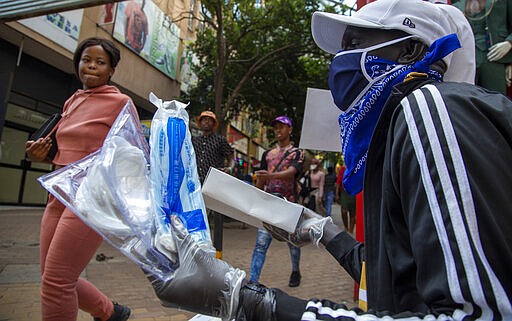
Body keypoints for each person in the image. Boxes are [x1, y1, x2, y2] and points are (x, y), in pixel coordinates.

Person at [144, 0, 512, 320]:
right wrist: (326, 232)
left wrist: (249, 302)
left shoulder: (430, 108)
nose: (340, 61)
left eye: (354, 44)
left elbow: (479, 314)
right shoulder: (395, 131)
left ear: (410, 51)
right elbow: (397, 277)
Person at [25, 37, 132, 321]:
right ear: (78, 64)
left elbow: (134, 156)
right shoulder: (72, 100)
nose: (92, 67)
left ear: (111, 70)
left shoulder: (120, 102)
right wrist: (41, 155)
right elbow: (64, 151)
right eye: (87, 60)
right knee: (52, 275)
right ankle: (111, 313)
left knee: (56, 282)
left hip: (89, 199)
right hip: (57, 194)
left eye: (100, 62)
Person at [250, 115, 305, 287]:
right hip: (269, 203)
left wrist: (269, 176)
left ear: (290, 129)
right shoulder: (267, 154)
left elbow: (292, 172)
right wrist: (258, 187)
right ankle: (253, 280)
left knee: (292, 242)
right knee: (261, 243)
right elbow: (262, 180)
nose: (278, 130)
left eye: (282, 127)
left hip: (288, 203)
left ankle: (296, 271)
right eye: (276, 127)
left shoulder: (297, 153)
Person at [453, 0, 512, 94]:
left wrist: (509, 43)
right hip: (465, 59)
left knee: (496, 100)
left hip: (494, 56)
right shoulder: (456, 5)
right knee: (465, 99)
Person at [191, 110, 234, 184]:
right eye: (204, 119)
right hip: (196, 182)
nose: (207, 122)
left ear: (214, 124)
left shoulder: (220, 140)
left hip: (214, 182)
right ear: (200, 123)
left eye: (210, 120)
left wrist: (229, 169)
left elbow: (231, 159)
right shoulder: (194, 141)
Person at [335, 163, 356, 234]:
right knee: (343, 211)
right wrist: (337, 194)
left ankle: (350, 231)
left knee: (353, 212)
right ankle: (346, 228)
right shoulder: (343, 168)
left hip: (355, 191)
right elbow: (338, 181)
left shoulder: (358, 166)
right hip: (345, 191)